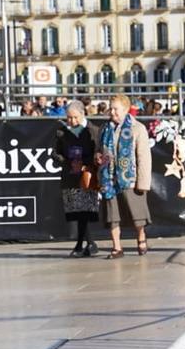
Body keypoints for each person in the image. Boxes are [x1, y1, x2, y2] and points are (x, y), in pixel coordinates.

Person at [98, 94, 153, 258]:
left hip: (130, 177)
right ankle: (117, 247)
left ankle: (141, 237)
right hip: (109, 177)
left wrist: (142, 182)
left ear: (126, 109)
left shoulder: (138, 128)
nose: (112, 112)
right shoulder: (104, 129)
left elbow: (144, 157)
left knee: (137, 213)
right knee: (112, 214)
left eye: (116, 109)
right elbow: (99, 150)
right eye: (111, 108)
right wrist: (98, 157)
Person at [55, 101, 101, 258]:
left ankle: (83, 244)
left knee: (85, 210)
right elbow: (55, 153)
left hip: (87, 175)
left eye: (75, 117)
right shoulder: (61, 132)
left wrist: (87, 164)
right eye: (68, 118)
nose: (72, 121)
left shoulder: (93, 131)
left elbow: (98, 152)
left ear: (82, 115)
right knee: (77, 211)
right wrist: (68, 162)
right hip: (70, 175)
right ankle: (87, 243)